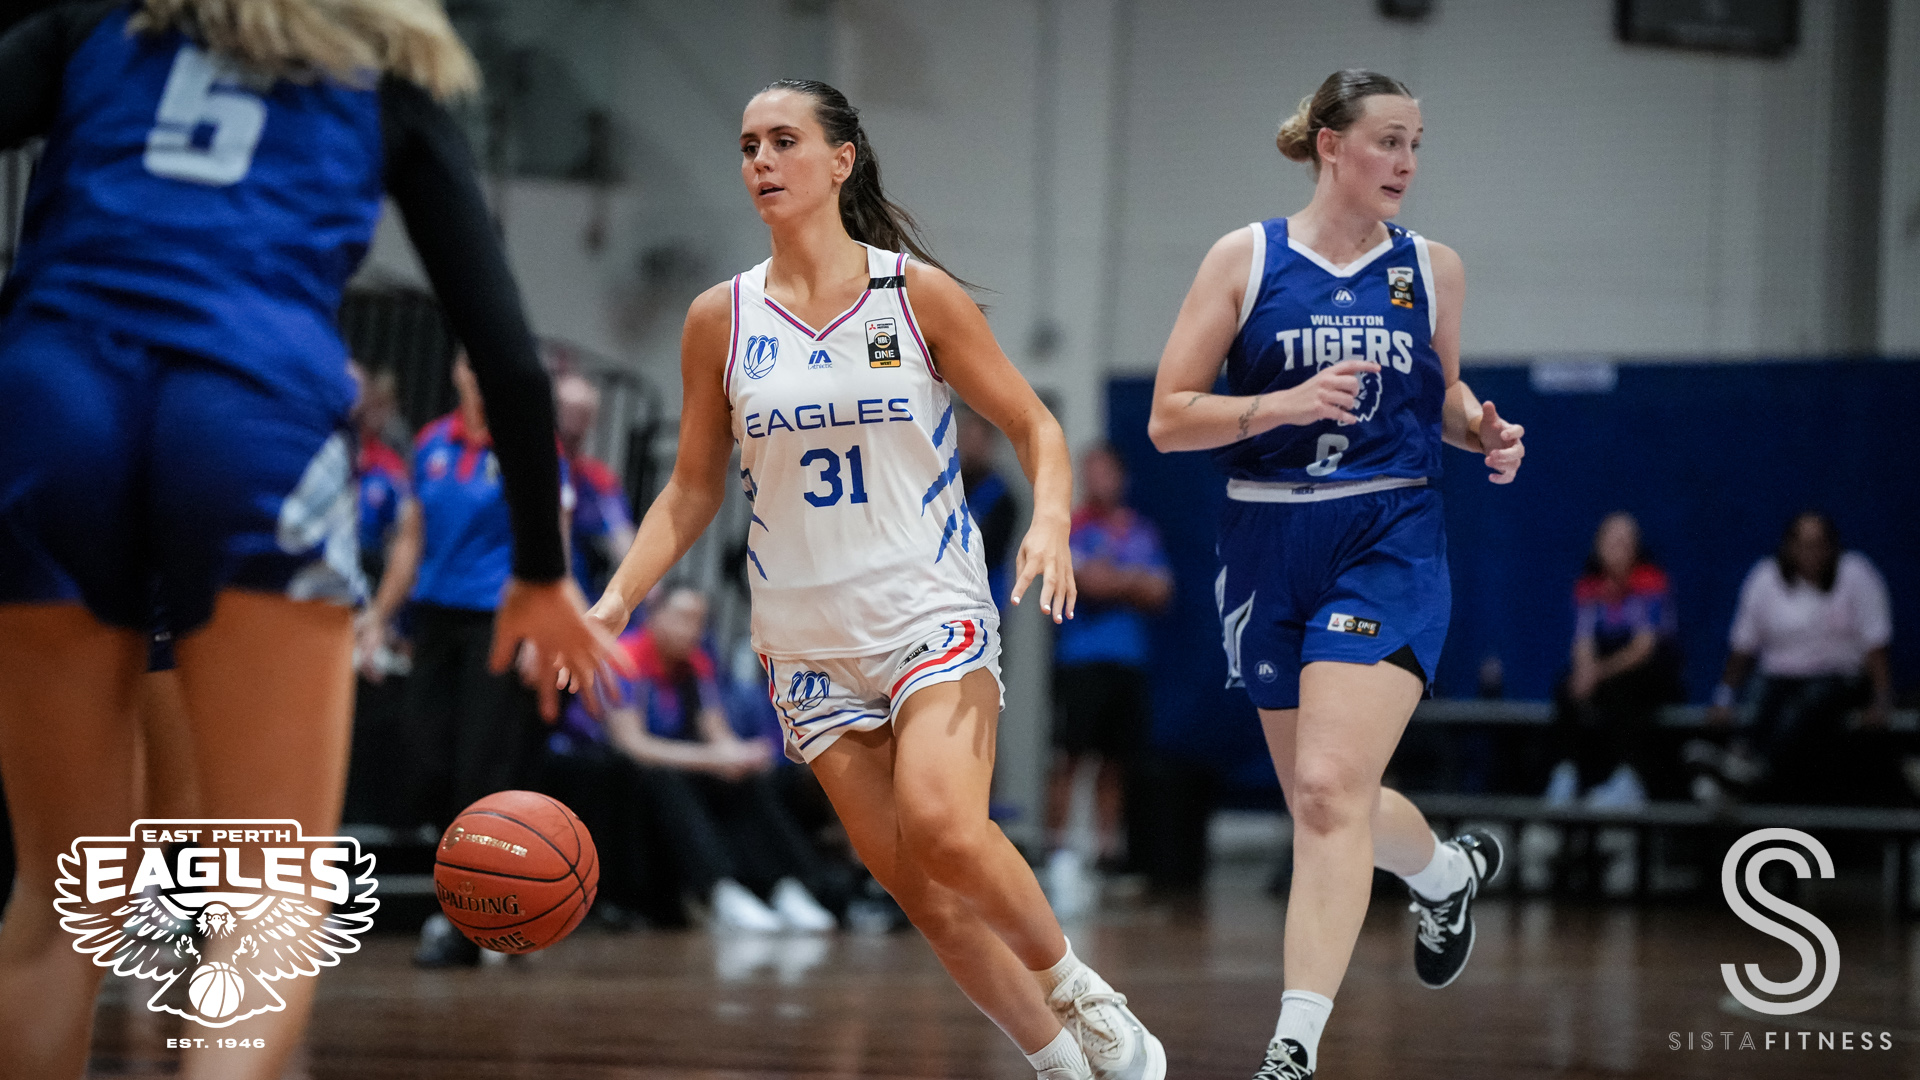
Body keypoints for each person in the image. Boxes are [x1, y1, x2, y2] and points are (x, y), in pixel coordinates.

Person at [0, 1, 622, 1075]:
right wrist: (540, 569)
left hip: (50, 396)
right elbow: (513, 363)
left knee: (61, 904)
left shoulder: (93, 27)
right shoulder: (385, 77)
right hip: (247, 409)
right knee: (269, 891)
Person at [571, 80, 1163, 1080]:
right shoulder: (720, 318)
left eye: (784, 140)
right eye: (749, 145)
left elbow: (1034, 425)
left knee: (945, 829)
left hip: (927, 605)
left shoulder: (912, 295)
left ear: (841, 160)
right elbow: (691, 488)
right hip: (804, 641)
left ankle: (1080, 991)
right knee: (921, 892)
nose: (761, 160)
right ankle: (1060, 1064)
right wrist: (614, 600)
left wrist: (1052, 518)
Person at [1146, 70, 1527, 1080]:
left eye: (1416, 144)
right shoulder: (1246, 258)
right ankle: (1445, 874)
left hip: (1388, 536)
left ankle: (1293, 1047)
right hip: (1268, 543)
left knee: (1326, 789)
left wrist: (1482, 428)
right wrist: (1282, 404)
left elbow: (1440, 395)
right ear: (1330, 144)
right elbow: (1169, 418)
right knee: (1324, 806)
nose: (1407, 162)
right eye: (1389, 140)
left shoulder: (1432, 267)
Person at [370, 354, 580, 965]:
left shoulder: (531, 442)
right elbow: (411, 537)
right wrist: (378, 617)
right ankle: (499, 899)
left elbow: (555, 537)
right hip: (435, 621)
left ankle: (472, 921)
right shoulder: (432, 442)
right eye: (472, 363)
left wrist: (543, 626)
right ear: (459, 372)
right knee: (423, 759)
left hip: (500, 622)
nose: (482, 373)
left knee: (480, 772)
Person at [558, 585, 838, 931]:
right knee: (665, 780)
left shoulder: (697, 664)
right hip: (608, 767)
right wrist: (713, 759)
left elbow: (717, 735)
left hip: (678, 761)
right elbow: (632, 745)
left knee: (744, 780)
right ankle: (718, 890)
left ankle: (784, 885)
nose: (690, 630)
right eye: (682, 618)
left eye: (698, 622)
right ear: (654, 616)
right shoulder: (623, 657)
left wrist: (742, 756)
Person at [1044, 444, 1171, 910]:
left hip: (1128, 663)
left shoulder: (1142, 530)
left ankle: (1107, 855)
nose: (1098, 481)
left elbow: (1161, 591)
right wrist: (1131, 580)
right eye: (1090, 473)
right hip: (1080, 662)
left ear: (1121, 477)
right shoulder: (1070, 528)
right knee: (1069, 757)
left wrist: (1114, 579)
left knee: (1115, 763)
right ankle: (1056, 853)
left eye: (1105, 472)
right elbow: (1084, 583)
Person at [1695, 511, 1894, 803]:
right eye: (1802, 544)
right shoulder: (1765, 576)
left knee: (1804, 706)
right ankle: (1740, 759)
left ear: (1832, 547)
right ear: (1788, 546)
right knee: (1761, 698)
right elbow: (1743, 645)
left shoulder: (1857, 573)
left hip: (1840, 679)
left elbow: (1876, 643)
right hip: (1778, 676)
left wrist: (1882, 700)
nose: (1810, 553)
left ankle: (1748, 772)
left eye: (1818, 545)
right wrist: (1724, 697)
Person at [1541, 512, 1683, 809]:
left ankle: (1629, 779)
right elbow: (1582, 640)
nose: (1618, 548)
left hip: (1647, 669)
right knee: (1566, 688)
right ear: (1598, 546)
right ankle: (1565, 774)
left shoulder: (1651, 582)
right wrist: (1585, 672)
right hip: (1605, 668)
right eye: (1612, 541)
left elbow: (1644, 647)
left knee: (1626, 689)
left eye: (1625, 542)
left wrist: (1599, 672)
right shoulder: (1589, 586)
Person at [556, 371, 636, 599]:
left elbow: (620, 531)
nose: (573, 421)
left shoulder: (598, 478)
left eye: (582, 413)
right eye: (567, 409)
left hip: (576, 592)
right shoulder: (527, 466)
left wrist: (644, 582)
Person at [959, 406, 1021, 609]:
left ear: (988, 443)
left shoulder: (1002, 496)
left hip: (987, 593)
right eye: (968, 437)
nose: (971, 445)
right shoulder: (948, 486)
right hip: (948, 591)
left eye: (977, 439)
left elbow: (991, 549)